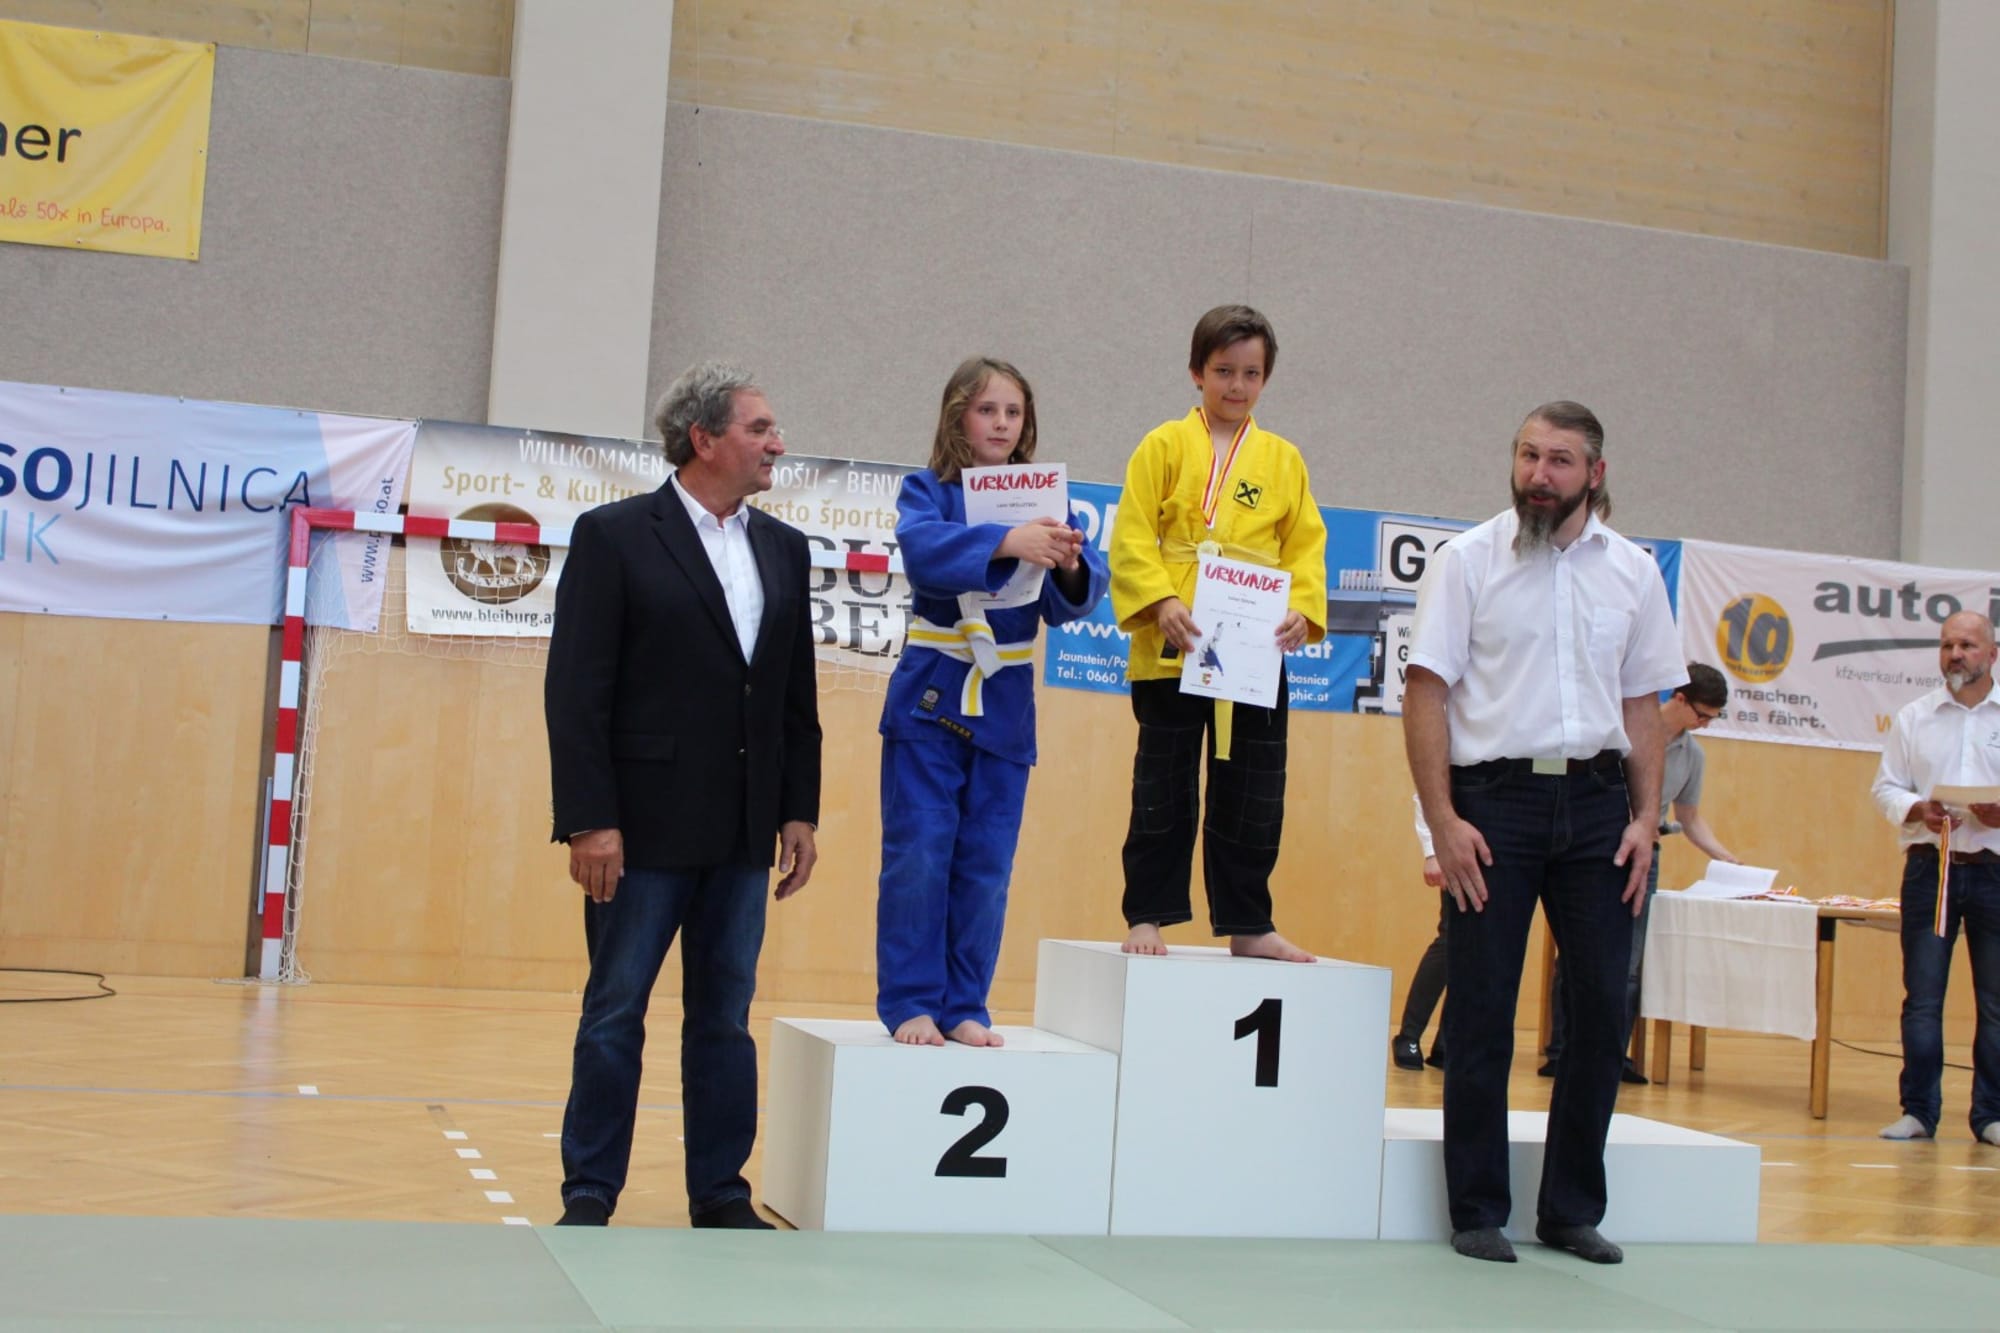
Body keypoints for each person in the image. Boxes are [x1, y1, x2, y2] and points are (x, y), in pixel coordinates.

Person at [1403, 400, 1683, 1265]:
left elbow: (1643, 705)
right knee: (1482, 1007)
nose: (1538, 473)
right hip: (1495, 804)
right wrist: (1441, 821)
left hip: (1600, 806)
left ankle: (1570, 1209)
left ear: (1595, 473)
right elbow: (1425, 694)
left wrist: (1646, 817)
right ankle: (1479, 1208)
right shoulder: (1467, 560)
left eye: (1559, 460)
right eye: (1528, 454)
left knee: (1601, 1006)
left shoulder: (1633, 571)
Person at [544, 361, 822, 1229]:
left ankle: (720, 1190)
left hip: (742, 831)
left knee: (724, 1018)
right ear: (703, 438)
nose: (777, 443)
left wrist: (799, 809)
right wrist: (589, 820)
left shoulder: (785, 548)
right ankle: (591, 1189)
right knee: (613, 1012)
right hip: (639, 830)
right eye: (759, 428)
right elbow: (576, 690)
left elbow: (794, 697)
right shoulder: (615, 535)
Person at [876, 357, 1109, 1048]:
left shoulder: (1047, 498)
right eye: (987, 410)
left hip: (1004, 701)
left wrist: (1069, 558)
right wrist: (1008, 540)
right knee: (920, 852)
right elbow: (923, 552)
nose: (1002, 423)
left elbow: (1073, 600)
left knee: (986, 863)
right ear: (958, 417)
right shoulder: (928, 491)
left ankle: (965, 1002)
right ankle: (911, 1001)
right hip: (932, 691)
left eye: (1013, 412)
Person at [1108, 304, 1328, 963]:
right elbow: (1131, 535)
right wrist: (1159, 599)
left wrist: (1302, 609)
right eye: (1224, 371)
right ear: (1196, 372)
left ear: (1266, 379)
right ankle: (1147, 913)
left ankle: (1249, 920)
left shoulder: (1283, 459)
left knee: (1253, 790)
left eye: (1250, 373)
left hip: (1254, 647)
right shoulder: (1162, 446)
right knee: (1163, 784)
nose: (1237, 385)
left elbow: (1306, 545)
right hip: (1176, 639)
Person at [1542, 663, 1740, 1082]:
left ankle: (1614, 1053)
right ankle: (1561, 1049)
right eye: (1702, 714)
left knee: (1628, 962)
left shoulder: (1693, 755)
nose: (1704, 724)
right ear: (1679, 698)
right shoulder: (1621, 728)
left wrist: (1726, 857)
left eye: (1712, 718)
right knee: (1576, 954)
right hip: (1597, 848)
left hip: (1644, 856)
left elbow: (1689, 818)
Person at [1868, 610, 2000, 1147]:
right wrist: (1918, 808)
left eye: (1967, 645)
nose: (1955, 655)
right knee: (1922, 997)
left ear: (1992, 654)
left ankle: (1991, 1116)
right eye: (1947, 645)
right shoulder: (1915, 716)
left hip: (1995, 870)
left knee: (1995, 1002)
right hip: (1931, 869)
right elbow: (1885, 788)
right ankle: (1919, 1112)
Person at [1393, 797, 1449, 1071]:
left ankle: (1447, 1042)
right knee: (1450, 941)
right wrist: (1431, 851)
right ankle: (1409, 1036)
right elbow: (1424, 793)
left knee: (1485, 950)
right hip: (1460, 847)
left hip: (1506, 847)